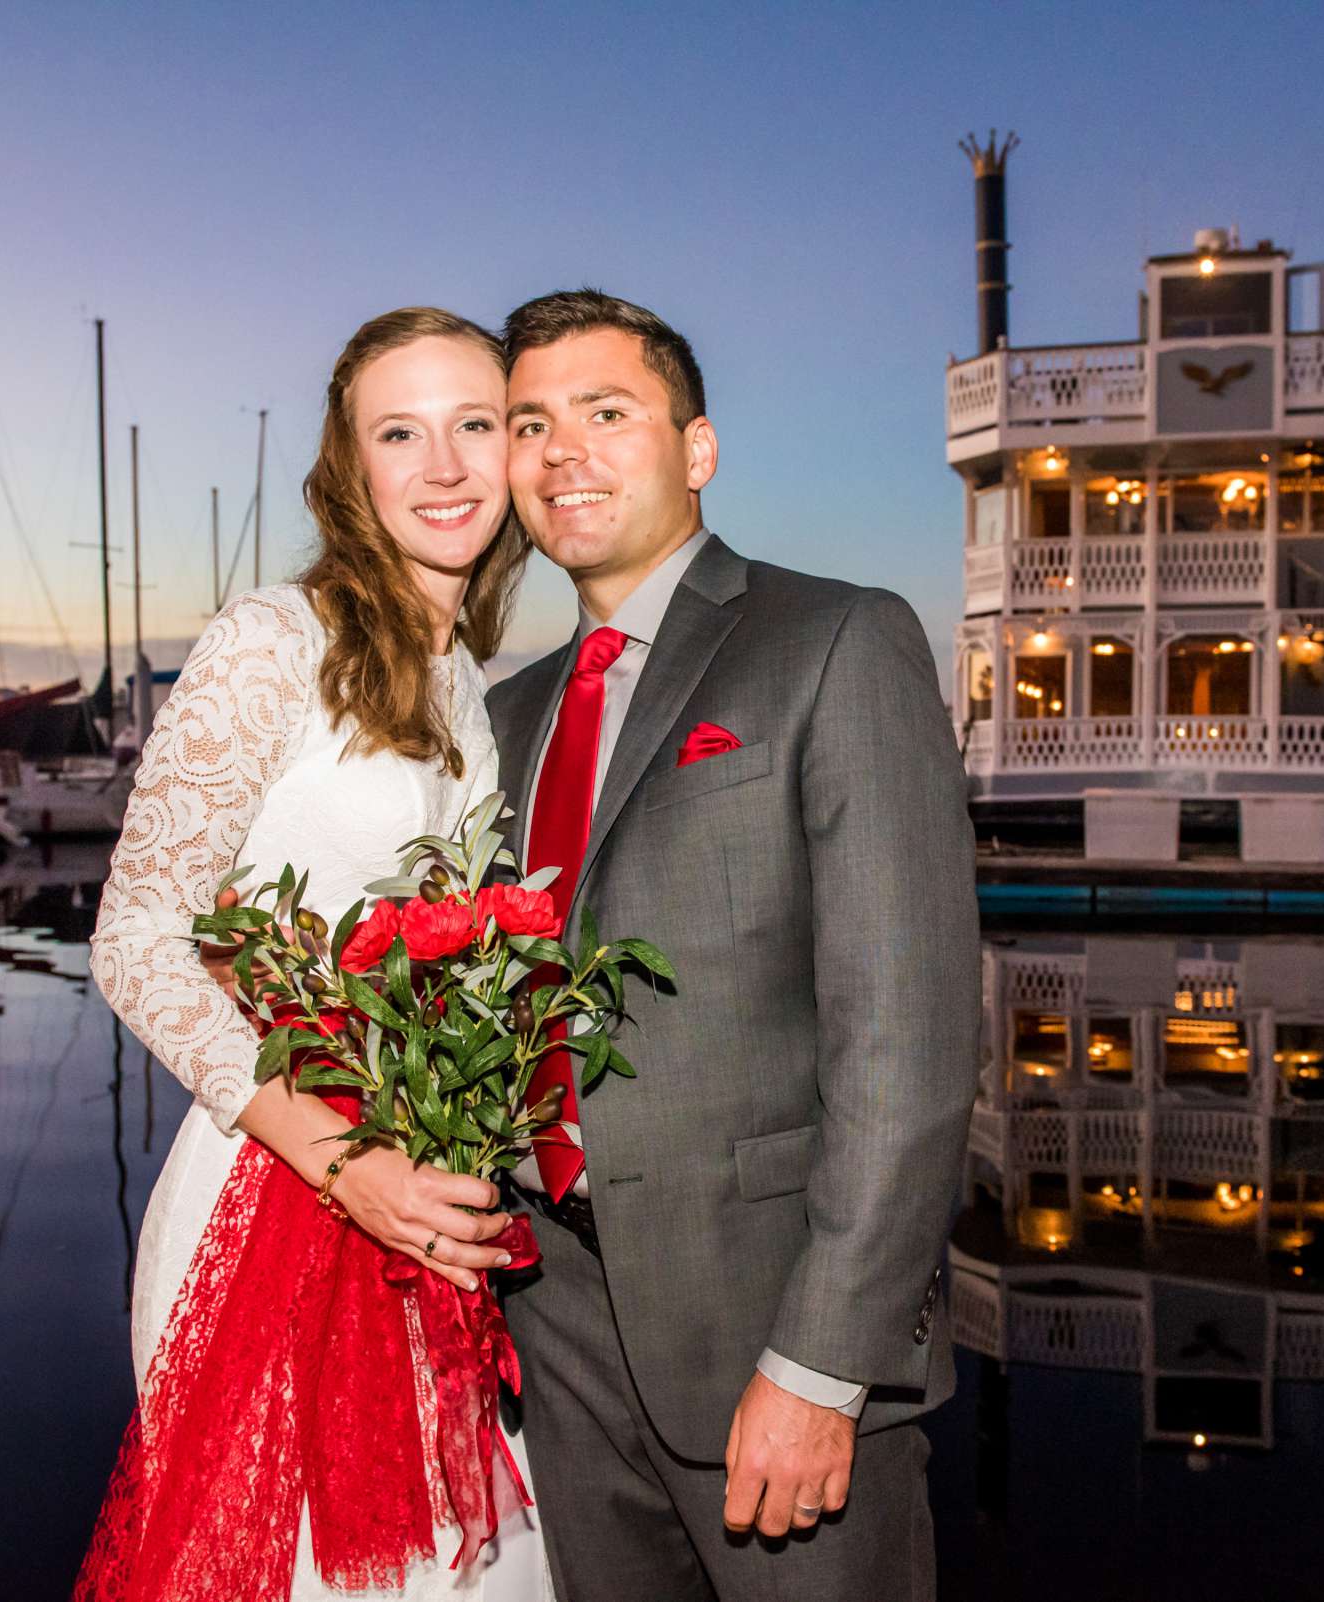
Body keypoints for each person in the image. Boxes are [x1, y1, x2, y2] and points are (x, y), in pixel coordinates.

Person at [484, 290, 978, 1600]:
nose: (562, 451)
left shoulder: (832, 640)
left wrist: (823, 1362)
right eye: (532, 422)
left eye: (606, 412)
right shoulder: (512, 713)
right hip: (557, 1322)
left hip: (770, 1320)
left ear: (696, 449)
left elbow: (910, 1040)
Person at [77, 307, 552, 1601]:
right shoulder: (273, 643)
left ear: (519, 455)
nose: (445, 466)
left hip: (431, 1207)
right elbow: (133, 939)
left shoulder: (473, 686)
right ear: (352, 468)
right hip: (275, 1203)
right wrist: (351, 1165)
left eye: (475, 425)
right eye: (402, 432)